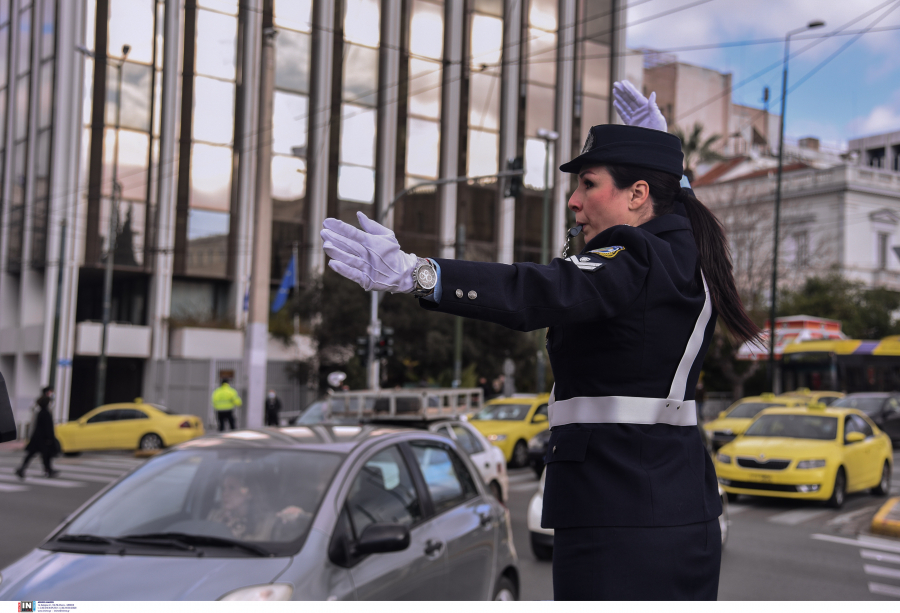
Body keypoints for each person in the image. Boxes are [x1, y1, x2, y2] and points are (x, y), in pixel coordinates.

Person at [320, 80, 759, 600]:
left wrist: (418, 274)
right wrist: (666, 162)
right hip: (679, 510)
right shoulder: (688, 253)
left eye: (588, 184)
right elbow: (679, 210)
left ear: (638, 194)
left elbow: (540, 290)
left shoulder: (635, 257)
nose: (574, 202)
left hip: (617, 518)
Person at [207, 464, 309, 541]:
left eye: (232, 488)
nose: (225, 493)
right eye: (223, 488)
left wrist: (300, 516)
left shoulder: (269, 522)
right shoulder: (215, 517)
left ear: (249, 492)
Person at [16, 387, 60, 479]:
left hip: (37, 438)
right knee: (44, 455)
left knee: (37, 455)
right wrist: (50, 438)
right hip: (43, 439)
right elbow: (48, 427)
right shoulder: (45, 413)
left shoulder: (40, 412)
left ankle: (47, 470)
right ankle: (47, 470)